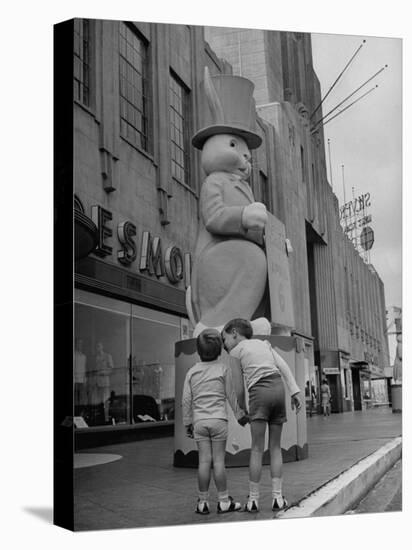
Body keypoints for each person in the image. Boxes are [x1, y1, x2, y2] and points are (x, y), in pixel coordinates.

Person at [221, 318, 302, 513]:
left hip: (259, 393)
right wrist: (295, 392)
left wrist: (241, 408)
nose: (224, 345)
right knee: (275, 447)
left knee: (257, 449)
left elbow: (238, 387)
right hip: (278, 389)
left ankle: (254, 500)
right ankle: (277, 497)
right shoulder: (265, 345)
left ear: (234, 333)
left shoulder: (235, 352)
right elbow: (283, 367)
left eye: (224, 339)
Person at [182, 329, 249, 515]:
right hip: (219, 421)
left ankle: (203, 503)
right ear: (220, 350)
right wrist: (240, 416)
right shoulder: (223, 369)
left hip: (200, 422)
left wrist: (188, 422)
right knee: (218, 461)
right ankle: (224, 501)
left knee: (204, 462)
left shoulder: (192, 372)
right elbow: (231, 395)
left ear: (198, 351)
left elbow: (186, 399)